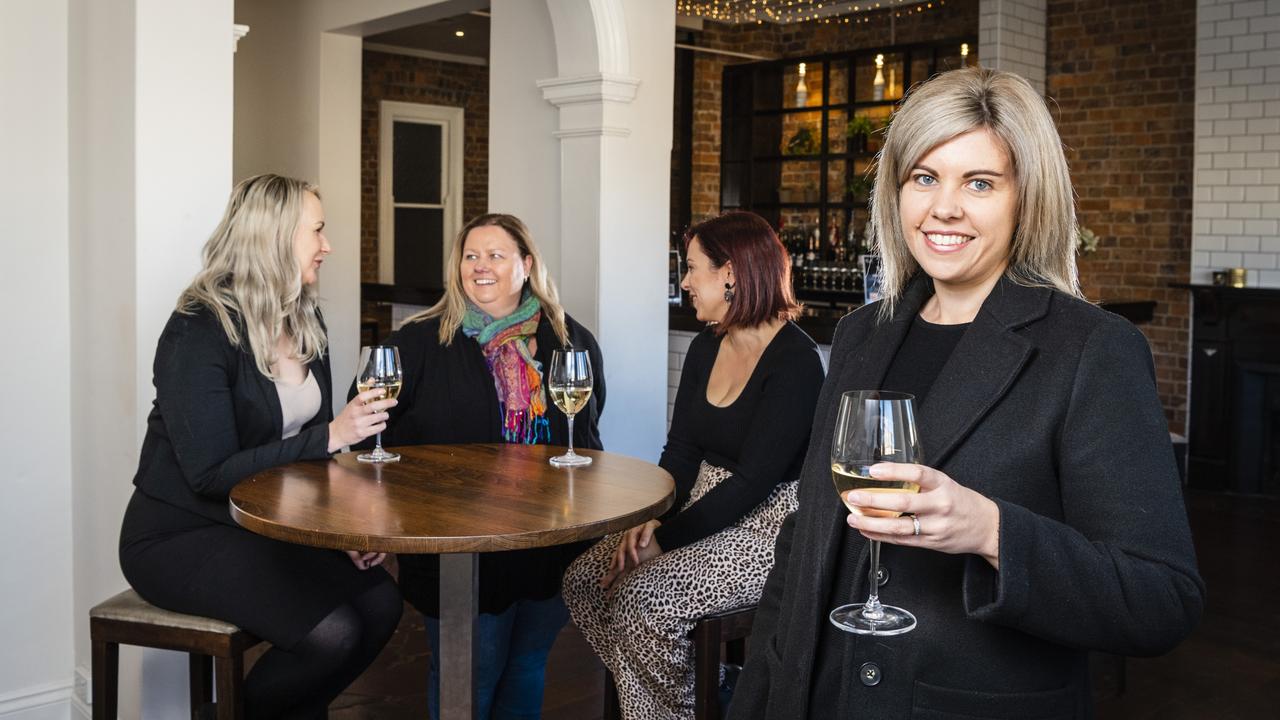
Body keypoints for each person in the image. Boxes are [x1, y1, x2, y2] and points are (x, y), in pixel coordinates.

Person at [728, 67, 1205, 719]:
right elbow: (807, 533)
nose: (943, 207)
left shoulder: (1092, 349)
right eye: (924, 177)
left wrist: (993, 532)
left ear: (1025, 197)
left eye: (979, 182)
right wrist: (761, 693)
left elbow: (1160, 600)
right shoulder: (862, 333)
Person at [119, 174, 403, 719]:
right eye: (316, 231)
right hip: (180, 534)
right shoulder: (198, 328)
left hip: (264, 524)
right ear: (274, 236)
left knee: (382, 601)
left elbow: (312, 458)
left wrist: (333, 531)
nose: (328, 245)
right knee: (333, 634)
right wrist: (332, 435)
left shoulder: (305, 317)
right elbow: (208, 473)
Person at [562, 211, 825, 720]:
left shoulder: (796, 361)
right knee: (584, 581)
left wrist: (667, 537)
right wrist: (650, 517)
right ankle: (709, 693)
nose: (684, 282)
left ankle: (690, 703)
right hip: (700, 505)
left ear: (730, 273)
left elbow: (753, 481)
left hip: (768, 526)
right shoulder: (706, 346)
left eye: (691, 268)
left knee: (641, 599)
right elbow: (680, 450)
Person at [362, 213, 606, 720]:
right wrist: (372, 521)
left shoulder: (568, 339)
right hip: (460, 552)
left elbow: (587, 441)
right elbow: (367, 436)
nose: (481, 267)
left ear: (527, 265)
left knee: (526, 665)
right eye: (471, 256)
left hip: (549, 543)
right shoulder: (419, 342)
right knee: (468, 675)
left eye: (496, 255)